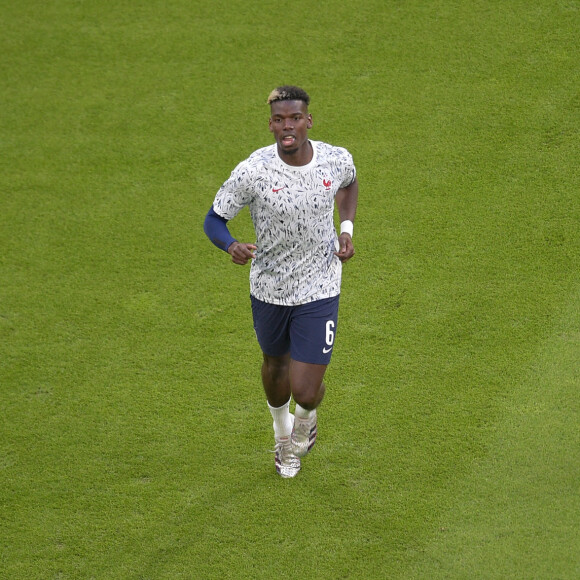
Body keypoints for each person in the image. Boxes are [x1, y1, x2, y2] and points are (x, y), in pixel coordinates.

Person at [203, 85, 358, 478]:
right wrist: (230, 245)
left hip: (321, 285)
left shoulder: (334, 160)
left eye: (294, 118)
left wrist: (346, 229)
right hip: (269, 288)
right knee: (275, 366)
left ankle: (305, 417)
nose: (287, 126)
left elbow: (350, 183)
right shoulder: (253, 170)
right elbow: (213, 219)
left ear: (308, 121)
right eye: (279, 120)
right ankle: (282, 437)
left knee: (305, 390)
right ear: (270, 124)